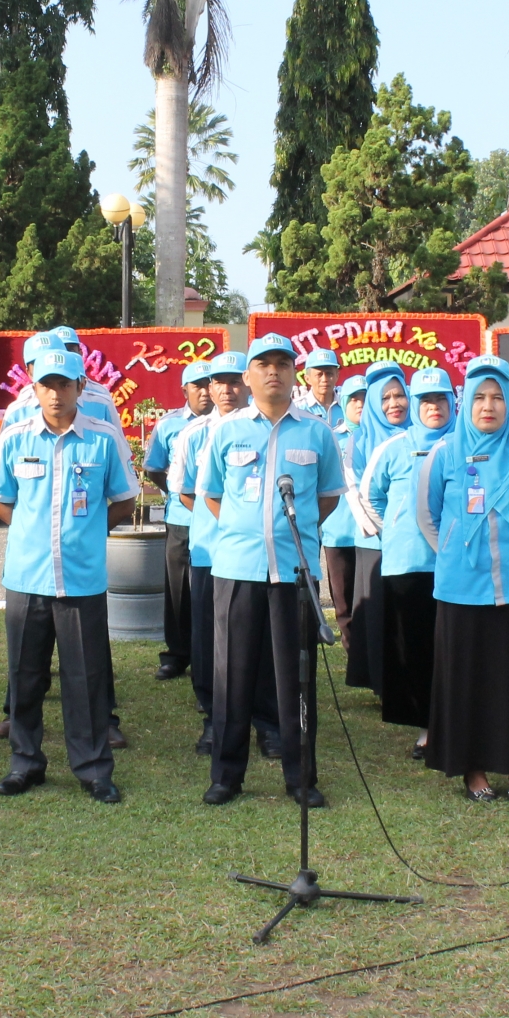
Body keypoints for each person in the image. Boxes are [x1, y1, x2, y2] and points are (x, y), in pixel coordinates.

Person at [0, 348, 138, 803]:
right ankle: (25, 763)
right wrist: (32, 534)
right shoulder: (16, 437)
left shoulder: (103, 439)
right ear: (34, 389)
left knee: (85, 678)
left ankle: (93, 769)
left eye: (65, 384)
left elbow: (125, 500)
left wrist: (87, 534)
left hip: (81, 579)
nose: (55, 394)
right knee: (25, 676)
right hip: (27, 578)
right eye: (47, 385)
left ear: (81, 388)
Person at [199, 334, 347, 807]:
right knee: (232, 676)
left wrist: (286, 534)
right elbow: (212, 494)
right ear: (248, 376)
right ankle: (226, 775)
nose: (273, 372)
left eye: (283, 364)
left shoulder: (317, 433)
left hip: (293, 573)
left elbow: (326, 497)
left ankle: (300, 777)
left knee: (295, 678)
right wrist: (246, 530)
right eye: (263, 364)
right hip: (237, 571)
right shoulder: (226, 431)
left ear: (294, 373)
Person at [417, 355, 509, 803]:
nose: (488, 406)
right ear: (466, 402)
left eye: (497, 397)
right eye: (479, 397)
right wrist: (455, 552)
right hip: (462, 589)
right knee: (468, 680)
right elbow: (428, 516)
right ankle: (472, 767)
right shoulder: (444, 453)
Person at [363, 365, 457, 759]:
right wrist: (397, 529)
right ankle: (426, 728)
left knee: (457, 648)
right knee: (416, 648)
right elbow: (371, 497)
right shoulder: (394, 448)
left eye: (440, 399)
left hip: (459, 566)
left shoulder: (467, 444)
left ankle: (461, 723)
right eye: (425, 401)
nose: (434, 407)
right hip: (409, 564)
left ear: (453, 401)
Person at [172, 350, 262, 754]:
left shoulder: (265, 428)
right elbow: (187, 490)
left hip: (256, 555)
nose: (227, 389)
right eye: (219, 382)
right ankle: (213, 717)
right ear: (209, 387)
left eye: (234, 381)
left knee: (259, 641)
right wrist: (228, 521)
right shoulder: (194, 434)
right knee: (210, 640)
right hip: (211, 552)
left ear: (247, 383)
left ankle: (268, 723)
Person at [145, 359, 213, 684]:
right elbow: (154, 467)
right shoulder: (169, 424)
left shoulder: (230, 422)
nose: (205, 391)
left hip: (219, 522)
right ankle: (176, 655)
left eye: (209, 384)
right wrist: (175, 491)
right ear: (184, 390)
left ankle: (208, 656)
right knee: (178, 590)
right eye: (197, 385)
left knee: (212, 589)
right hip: (182, 519)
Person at [344, 360, 410, 696]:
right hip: (376, 543)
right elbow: (355, 489)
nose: (394, 403)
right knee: (378, 613)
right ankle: (379, 681)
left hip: (415, 546)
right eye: (384, 398)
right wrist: (387, 530)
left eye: (399, 395)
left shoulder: (421, 434)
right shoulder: (359, 440)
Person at [321, 376, 370, 686]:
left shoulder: (381, 438)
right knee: (344, 603)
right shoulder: (331, 437)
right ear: (343, 403)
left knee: (370, 599)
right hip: (338, 531)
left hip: (371, 535)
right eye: (354, 399)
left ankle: (370, 659)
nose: (360, 404)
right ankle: (354, 657)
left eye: (365, 398)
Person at [293, 348, 344, 425]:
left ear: (337, 376)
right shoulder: (297, 408)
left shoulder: (348, 403)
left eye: (329, 374)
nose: (324, 379)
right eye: (319, 375)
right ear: (307, 379)